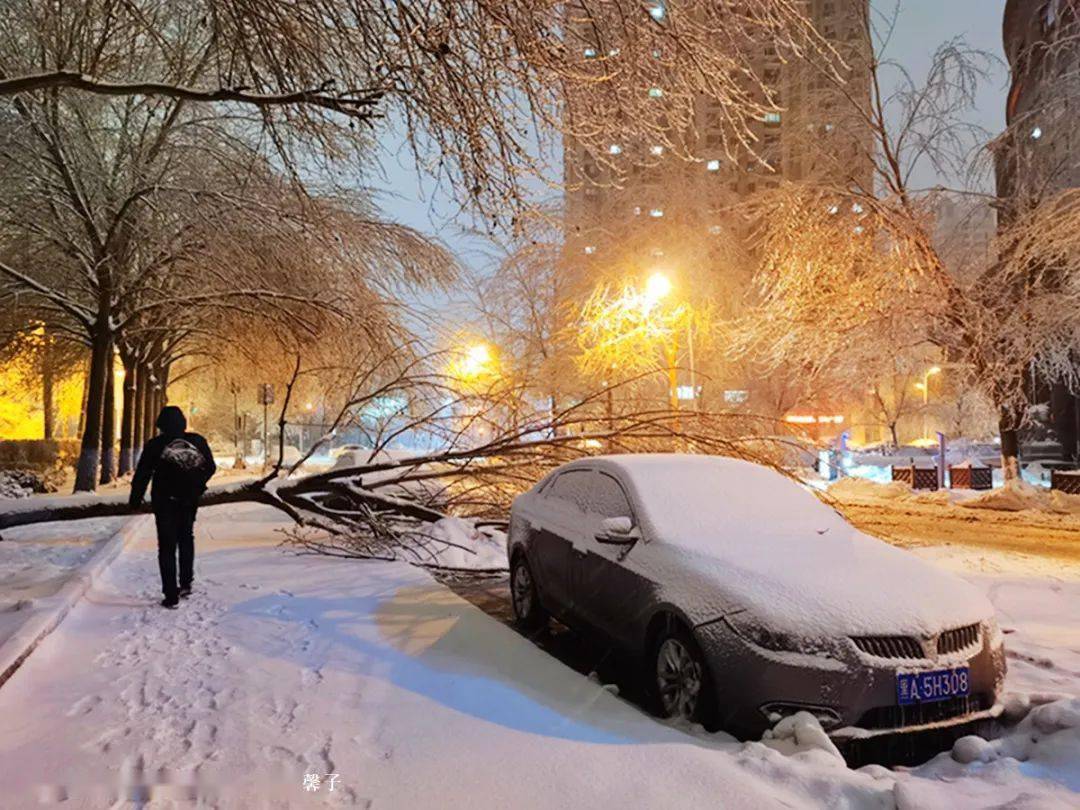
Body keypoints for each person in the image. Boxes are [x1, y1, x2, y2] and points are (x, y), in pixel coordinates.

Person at [130, 406, 216, 609]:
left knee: (166, 546)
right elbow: (210, 467)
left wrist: (135, 499)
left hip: (164, 500)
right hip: (189, 499)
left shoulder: (155, 445)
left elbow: (143, 473)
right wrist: (198, 485)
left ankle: (170, 594)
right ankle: (186, 583)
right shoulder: (197, 441)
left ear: (160, 424)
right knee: (186, 537)